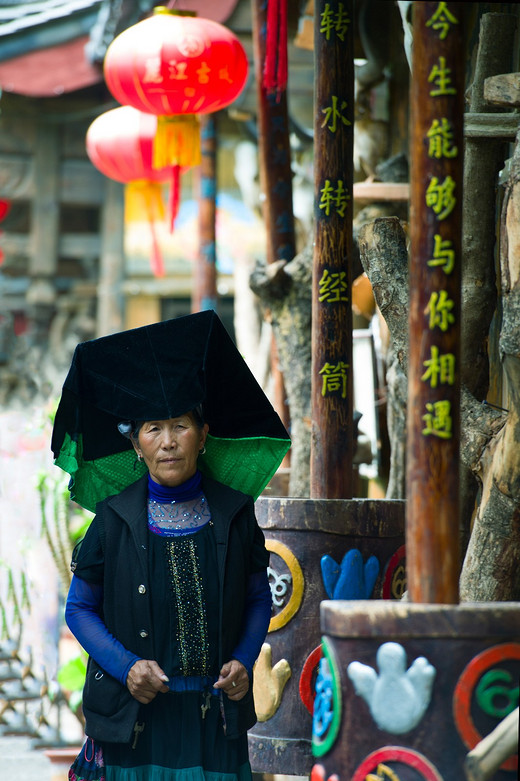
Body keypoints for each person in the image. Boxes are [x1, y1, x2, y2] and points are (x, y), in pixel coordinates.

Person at [64, 406, 273, 781]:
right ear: (136, 443)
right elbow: (79, 608)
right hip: (134, 720)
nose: (168, 442)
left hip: (214, 719)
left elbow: (258, 598)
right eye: (153, 429)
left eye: (180, 426)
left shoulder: (235, 513)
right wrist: (127, 666)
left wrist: (244, 659)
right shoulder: (112, 520)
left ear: (203, 435)